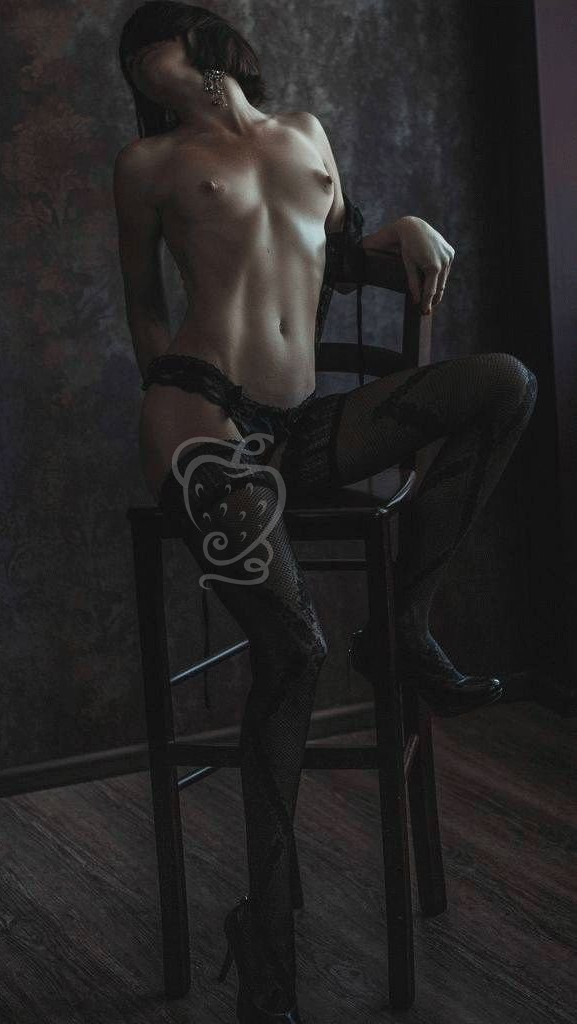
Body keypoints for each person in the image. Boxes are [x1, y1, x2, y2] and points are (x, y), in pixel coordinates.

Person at [114, 3, 538, 1020]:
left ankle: (399, 628)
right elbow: (143, 303)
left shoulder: (305, 132)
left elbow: (333, 252)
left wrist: (401, 230)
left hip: (304, 426)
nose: (132, 64)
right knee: (296, 652)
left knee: (504, 384)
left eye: (145, 42)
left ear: (203, 40)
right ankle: (267, 936)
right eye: (127, 62)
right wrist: (168, 409)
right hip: (206, 422)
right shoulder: (148, 165)